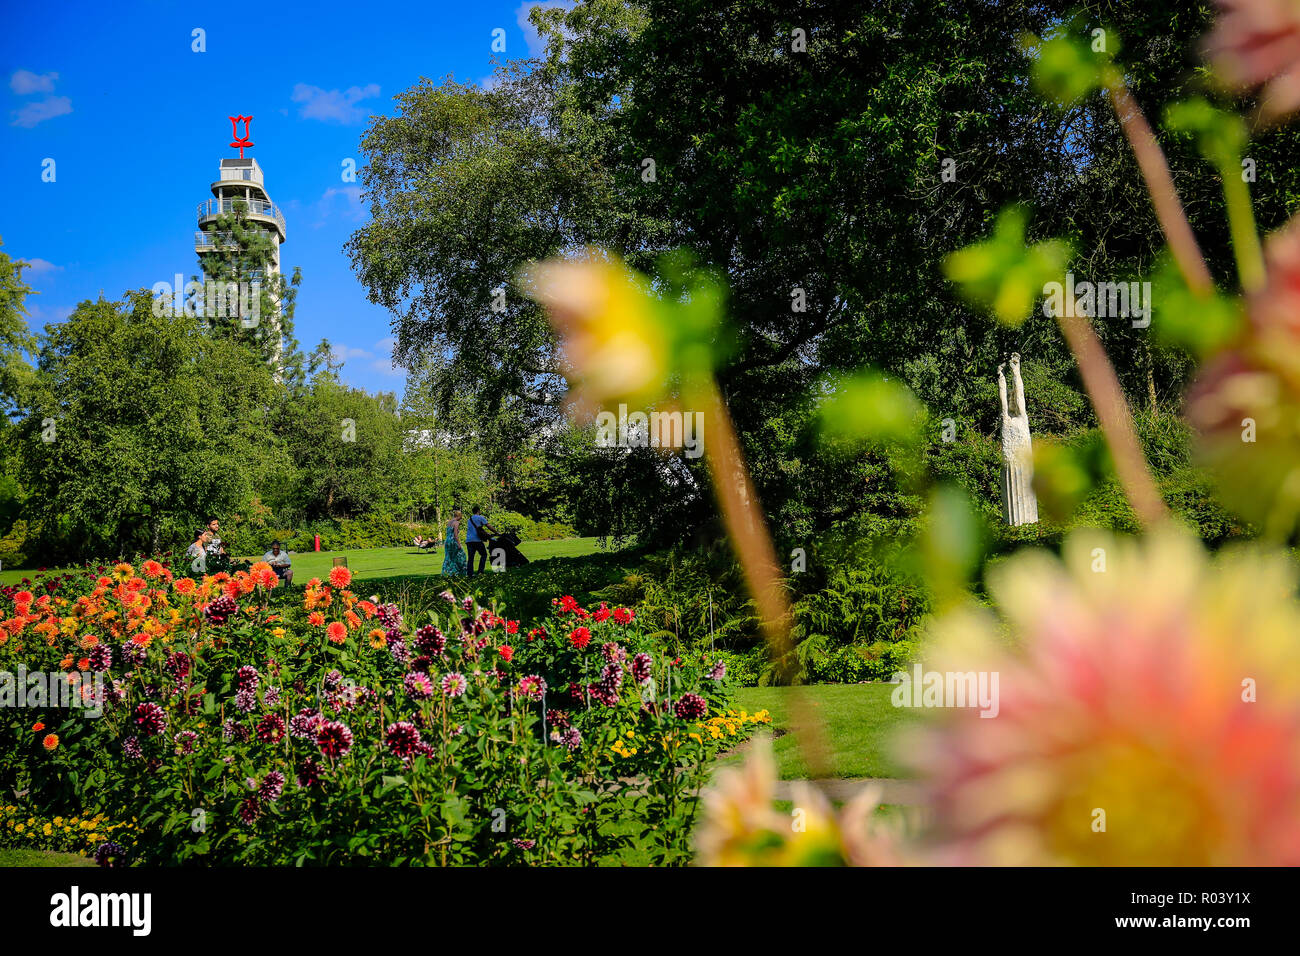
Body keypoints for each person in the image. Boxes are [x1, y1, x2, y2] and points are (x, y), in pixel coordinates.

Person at [465, 505, 499, 579]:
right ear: (478, 511)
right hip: (477, 540)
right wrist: (496, 532)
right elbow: (488, 526)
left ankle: (469, 574)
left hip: (469, 540)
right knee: (484, 555)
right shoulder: (480, 517)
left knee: (471, 558)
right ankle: (480, 571)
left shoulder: (469, 519)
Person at [442, 508, 468, 577]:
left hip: (447, 541)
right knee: (462, 555)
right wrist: (459, 544)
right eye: (461, 516)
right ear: (459, 516)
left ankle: (448, 572)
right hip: (453, 541)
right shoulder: (456, 523)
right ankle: (460, 572)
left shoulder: (449, 522)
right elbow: (455, 534)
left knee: (449, 557)